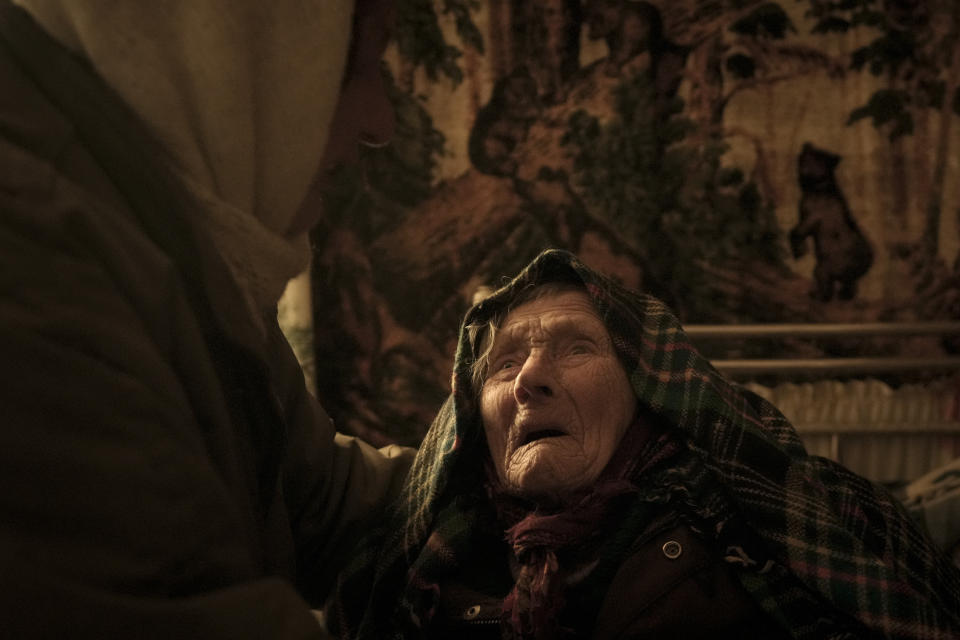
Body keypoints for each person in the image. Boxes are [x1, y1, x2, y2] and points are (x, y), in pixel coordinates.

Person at [0, 0, 414, 637]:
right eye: (351, 66)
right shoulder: (33, 255)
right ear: (226, 38)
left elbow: (319, 504)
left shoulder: (178, 236)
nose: (381, 123)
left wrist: (489, 449)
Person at [329, 249, 960, 639]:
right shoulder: (426, 559)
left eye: (577, 348)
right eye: (502, 365)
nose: (527, 381)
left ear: (648, 391)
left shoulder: (774, 521)